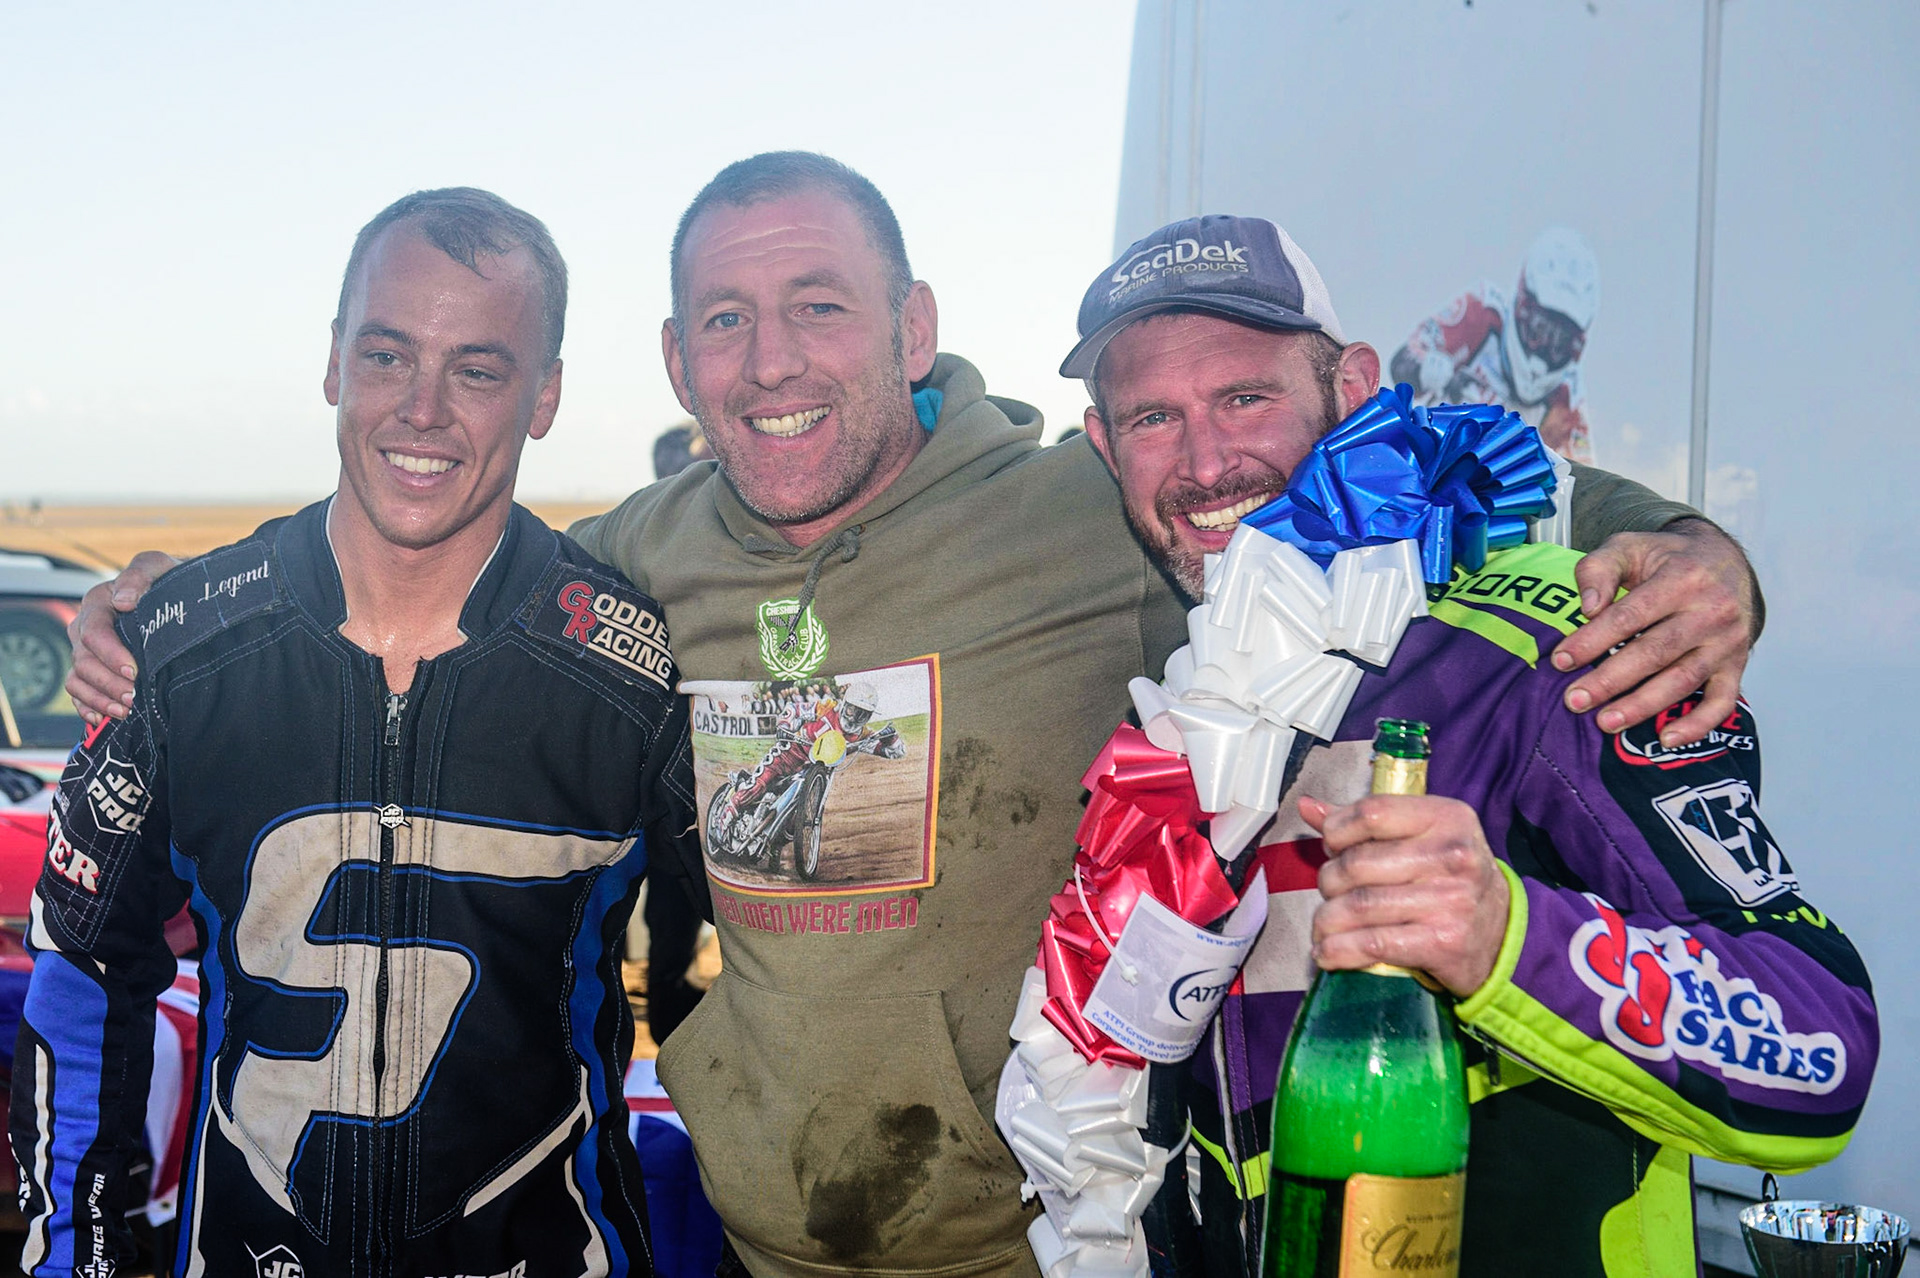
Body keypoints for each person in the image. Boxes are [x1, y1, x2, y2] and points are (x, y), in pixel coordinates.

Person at [68, 154, 1762, 1276]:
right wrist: (157, 608)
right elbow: (418, 541)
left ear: (914, 325)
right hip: (759, 1244)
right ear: (673, 363)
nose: (774, 357)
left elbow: (1371, 494)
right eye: (727, 319)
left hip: (1048, 1244)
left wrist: (1685, 546)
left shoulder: (1078, 501)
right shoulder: (629, 573)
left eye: (820, 303)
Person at [1069, 213, 1875, 1277]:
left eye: (1245, 398)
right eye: (1152, 419)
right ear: (1101, 446)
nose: (1208, 461)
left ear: (1353, 389)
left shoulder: (1551, 640)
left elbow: (1822, 1042)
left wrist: (1509, 938)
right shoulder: (1170, 676)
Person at [13, 189, 700, 1278]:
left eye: (476, 370)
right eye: (387, 356)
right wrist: (75, 1259)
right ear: (334, 362)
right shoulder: (181, 650)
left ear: (545, 395)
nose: (421, 409)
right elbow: (86, 968)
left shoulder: (633, 679)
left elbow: (766, 970)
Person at [1391, 226, 1600, 461]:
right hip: (1425, 459)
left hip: (1490, 490)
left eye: (1559, 344)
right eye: (1539, 330)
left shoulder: (1568, 402)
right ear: (1522, 306)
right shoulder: (1482, 311)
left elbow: (1581, 480)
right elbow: (1403, 360)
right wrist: (1426, 366)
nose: (1542, 355)